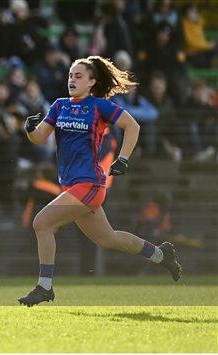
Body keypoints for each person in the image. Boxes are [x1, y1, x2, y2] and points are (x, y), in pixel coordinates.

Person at [18, 56, 182, 307]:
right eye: (71, 75)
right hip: (73, 187)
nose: (72, 79)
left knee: (42, 222)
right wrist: (30, 129)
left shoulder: (99, 106)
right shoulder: (60, 105)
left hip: (90, 184)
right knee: (108, 239)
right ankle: (162, 254)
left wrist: (123, 158)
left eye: (79, 76)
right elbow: (40, 137)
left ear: (92, 82)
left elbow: (133, 126)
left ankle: (45, 287)